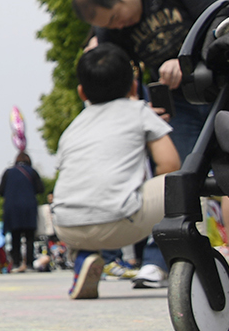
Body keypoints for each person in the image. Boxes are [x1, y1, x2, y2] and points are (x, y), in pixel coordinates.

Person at [49, 44, 180, 300]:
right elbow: (170, 165)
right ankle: (164, 261)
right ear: (133, 86)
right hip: (119, 224)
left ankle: (84, 257)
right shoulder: (140, 110)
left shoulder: (73, 128)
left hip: (67, 227)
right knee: (181, 183)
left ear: (81, 92)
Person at [72, 0, 227, 163]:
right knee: (191, 172)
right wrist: (140, 111)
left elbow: (225, 13)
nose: (118, 27)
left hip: (221, 83)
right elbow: (116, 81)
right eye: (109, 26)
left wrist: (188, 59)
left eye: (115, 18)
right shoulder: (109, 30)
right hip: (178, 105)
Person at [0, 153, 44, 272]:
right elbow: (40, 189)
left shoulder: (8, 172)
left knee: (15, 236)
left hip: (12, 208)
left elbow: (0, 191)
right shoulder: (32, 172)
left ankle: (16, 263)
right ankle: (29, 263)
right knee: (29, 237)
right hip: (29, 207)